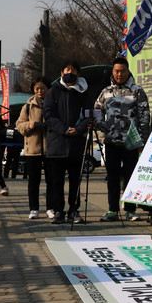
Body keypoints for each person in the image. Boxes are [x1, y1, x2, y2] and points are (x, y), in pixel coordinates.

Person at [93, 57, 150, 222]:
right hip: (112, 141)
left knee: (131, 176)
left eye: (123, 71)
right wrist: (102, 126)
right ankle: (112, 210)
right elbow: (97, 110)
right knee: (112, 177)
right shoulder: (106, 92)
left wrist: (143, 140)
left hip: (131, 142)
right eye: (116, 71)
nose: (119, 74)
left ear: (128, 71)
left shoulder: (137, 91)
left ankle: (130, 210)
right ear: (113, 71)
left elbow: (144, 117)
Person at [45, 61, 94, 224]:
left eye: (73, 70)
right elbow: (49, 115)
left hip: (76, 144)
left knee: (75, 181)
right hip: (57, 144)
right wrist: (65, 129)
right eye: (67, 69)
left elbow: (89, 115)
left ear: (78, 74)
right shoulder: (53, 92)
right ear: (61, 73)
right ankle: (58, 211)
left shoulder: (84, 93)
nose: (70, 72)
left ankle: (74, 210)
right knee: (57, 181)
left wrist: (78, 129)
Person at [17, 78, 50, 220]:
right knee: (33, 181)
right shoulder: (28, 106)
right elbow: (19, 125)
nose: (39, 91)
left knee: (52, 180)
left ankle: (51, 208)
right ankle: (34, 209)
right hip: (32, 149)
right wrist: (30, 125)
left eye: (42, 88)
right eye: (37, 88)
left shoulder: (53, 103)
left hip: (51, 149)